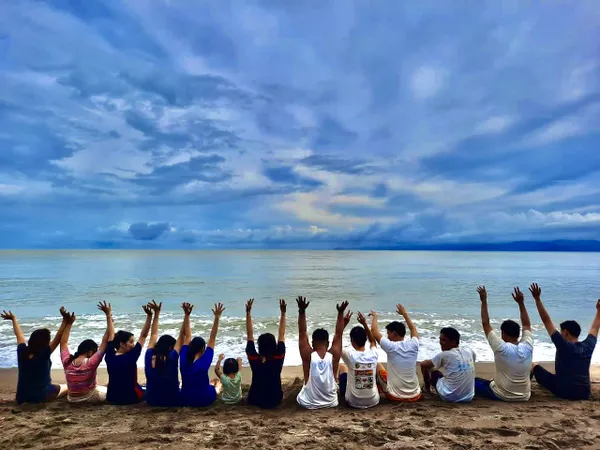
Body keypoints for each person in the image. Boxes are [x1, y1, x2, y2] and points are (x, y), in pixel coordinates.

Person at [530, 283, 599, 400]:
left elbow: (546, 320)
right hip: (584, 393)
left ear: (566, 332)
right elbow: (595, 328)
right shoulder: (588, 346)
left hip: (563, 391)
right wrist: (599, 311)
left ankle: (524, 389)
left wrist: (537, 299)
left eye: (561, 332)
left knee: (533, 365)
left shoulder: (563, 345)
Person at [474, 286, 534, 401]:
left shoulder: (501, 348)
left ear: (503, 333)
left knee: (473, 382)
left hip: (502, 395)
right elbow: (526, 325)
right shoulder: (527, 346)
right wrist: (521, 303)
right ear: (518, 334)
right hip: (525, 396)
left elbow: (486, 324)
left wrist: (484, 300)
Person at [2, 307, 71, 404]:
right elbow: (58, 338)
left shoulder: (22, 351)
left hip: (21, 397)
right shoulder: (43, 354)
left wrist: (13, 319)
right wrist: (65, 320)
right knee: (68, 387)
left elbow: (19, 336)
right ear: (45, 342)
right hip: (41, 396)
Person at [296, 297, 352, 409]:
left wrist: (302, 311)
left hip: (309, 403)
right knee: (342, 367)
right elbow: (338, 334)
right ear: (328, 343)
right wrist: (340, 313)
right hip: (331, 402)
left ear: (312, 343)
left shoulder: (308, 355)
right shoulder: (334, 355)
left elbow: (302, 332)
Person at [60, 301, 113, 403]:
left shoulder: (67, 361)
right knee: (109, 391)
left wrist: (69, 323)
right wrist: (109, 317)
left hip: (71, 398)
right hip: (88, 397)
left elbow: (63, 342)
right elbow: (105, 342)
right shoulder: (90, 363)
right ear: (90, 352)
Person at [370, 304, 421, 402]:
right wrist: (404, 314)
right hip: (415, 395)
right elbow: (413, 329)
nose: (387, 336)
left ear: (394, 334)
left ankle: (375, 392)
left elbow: (374, 331)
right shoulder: (414, 344)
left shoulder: (391, 347)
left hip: (395, 396)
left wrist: (375, 316)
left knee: (378, 365)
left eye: (388, 333)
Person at [144, 301, 192, 407]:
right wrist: (186, 315)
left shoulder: (149, 356)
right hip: (173, 400)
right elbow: (183, 335)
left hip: (151, 400)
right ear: (170, 347)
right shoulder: (172, 357)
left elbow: (154, 335)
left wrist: (156, 314)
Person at [105, 302, 153, 405]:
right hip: (130, 398)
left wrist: (108, 315)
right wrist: (149, 316)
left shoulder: (109, 356)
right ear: (122, 344)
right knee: (152, 391)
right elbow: (143, 336)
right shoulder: (131, 356)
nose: (133, 345)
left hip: (112, 398)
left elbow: (111, 337)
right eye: (131, 342)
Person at [180, 303, 225, 407]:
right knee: (217, 384)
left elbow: (188, 336)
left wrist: (187, 315)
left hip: (185, 399)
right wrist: (217, 318)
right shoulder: (204, 362)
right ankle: (215, 386)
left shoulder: (183, 358)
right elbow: (212, 338)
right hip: (204, 399)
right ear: (202, 350)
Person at [245, 298, 287, 409]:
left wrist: (248, 313)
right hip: (275, 400)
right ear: (274, 346)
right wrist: (283, 313)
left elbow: (250, 335)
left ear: (259, 347)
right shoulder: (278, 357)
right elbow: (282, 335)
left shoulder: (255, 359)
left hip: (255, 399)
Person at [420, 327, 476, 403]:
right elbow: (473, 359)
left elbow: (423, 364)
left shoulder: (445, 354)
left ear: (453, 342)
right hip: (469, 397)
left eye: (444, 340)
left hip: (449, 396)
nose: (440, 342)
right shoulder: (468, 350)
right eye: (440, 339)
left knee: (429, 368)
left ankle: (427, 389)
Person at [339, 312, 380, 409]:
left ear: (352, 340)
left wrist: (344, 324)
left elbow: (337, 342)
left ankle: (341, 393)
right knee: (375, 367)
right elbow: (373, 341)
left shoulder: (350, 356)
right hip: (373, 401)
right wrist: (364, 323)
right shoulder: (373, 354)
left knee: (342, 367)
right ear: (366, 339)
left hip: (353, 401)